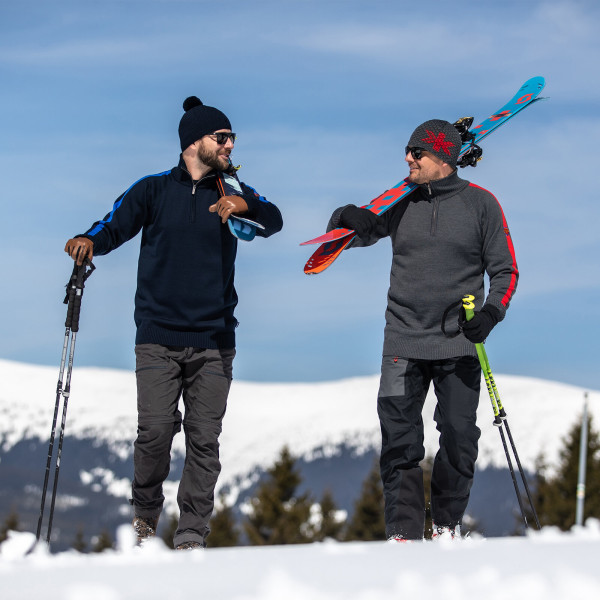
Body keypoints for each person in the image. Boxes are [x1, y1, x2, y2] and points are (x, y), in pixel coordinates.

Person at [64, 96, 283, 550]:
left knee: (205, 442)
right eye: (221, 138)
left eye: (232, 138)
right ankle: (145, 523)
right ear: (194, 142)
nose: (229, 145)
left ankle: (190, 536)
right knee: (155, 433)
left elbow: (273, 219)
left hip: (215, 339)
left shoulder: (233, 190)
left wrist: (245, 207)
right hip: (157, 338)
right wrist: (89, 240)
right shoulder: (153, 189)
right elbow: (113, 226)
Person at [327, 119, 518, 541]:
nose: (408, 158)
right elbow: (354, 234)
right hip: (402, 340)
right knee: (398, 440)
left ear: (443, 158)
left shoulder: (482, 205)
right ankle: (404, 533)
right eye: (408, 150)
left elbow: (506, 271)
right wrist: (344, 216)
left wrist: (490, 314)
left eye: (418, 152)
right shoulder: (401, 201)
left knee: (460, 436)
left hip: (459, 343)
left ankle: (447, 527)